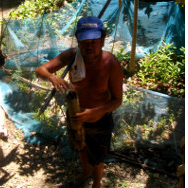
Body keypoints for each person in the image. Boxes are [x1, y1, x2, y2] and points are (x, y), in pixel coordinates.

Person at [35, 16, 123, 188]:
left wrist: (96, 112)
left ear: (102, 41)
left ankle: (96, 183)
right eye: (84, 42)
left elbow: (117, 100)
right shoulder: (72, 56)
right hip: (75, 115)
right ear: (78, 42)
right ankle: (85, 172)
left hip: (99, 120)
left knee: (97, 158)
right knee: (81, 147)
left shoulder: (110, 63)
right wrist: (52, 77)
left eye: (94, 41)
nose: (89, 46)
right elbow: (40, 71)